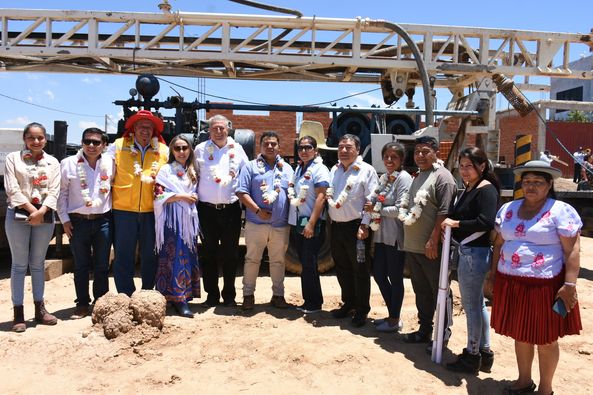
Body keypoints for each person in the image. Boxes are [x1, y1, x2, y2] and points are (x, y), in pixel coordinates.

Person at [488, 160, 582, 395]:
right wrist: (492, 275)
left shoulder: (560, 211)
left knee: (546, 338)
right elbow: (499, 244)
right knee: (521, 334)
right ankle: (523, 381)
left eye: (538, 182)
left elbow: (572, 250)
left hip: (545, 286)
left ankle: (545, 389)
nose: (531, 186)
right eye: (527, 182)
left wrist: (569, 284)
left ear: (549, 184)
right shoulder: (508, 209)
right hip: (512, 282)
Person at [440, 147, 499, 374]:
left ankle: (472, 354)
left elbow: (485, 222)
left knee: (472, 306)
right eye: (461, 166)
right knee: (478, 304)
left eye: (469, 166)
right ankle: (484, 351)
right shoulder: (469, 189)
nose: (464, 171)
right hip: (469, 252)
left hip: (475, 254)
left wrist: (456, 225)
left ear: (481, 166)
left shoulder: (486, 190)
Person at [4, 122, 60, 332]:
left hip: (44, 214)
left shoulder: (53, 162)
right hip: (19, 212)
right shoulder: (13, 159)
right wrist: (31, 210)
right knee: (19, 265)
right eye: (31, 138)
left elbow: (54, 190)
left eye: (40, 138)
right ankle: (18, 311)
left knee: (38, 263)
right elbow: (12, 188)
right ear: (25, 139)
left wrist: (41, 212)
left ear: (45, 139)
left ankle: (40, 308)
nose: (36, 142)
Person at [401, 136, 456, 350]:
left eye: (425, 151)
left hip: (432, 249)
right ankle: (424, 330)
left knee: (440, 292)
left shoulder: (443, 177)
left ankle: (442, 336)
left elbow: (445, 211)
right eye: (417, 152)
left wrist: (434, 240)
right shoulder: (419, 175)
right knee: (421, 291)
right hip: (414, 247)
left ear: (436, 153)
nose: (420, 156)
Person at [107, 110, 169, 296]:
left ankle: (148, 294)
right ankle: (125, 294)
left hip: (152, 211)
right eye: (141, 126)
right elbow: (105, 173)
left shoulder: (163, 151)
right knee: (123, 255)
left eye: (149, 127)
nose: (145, 130)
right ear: (133, 128)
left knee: (151, 255)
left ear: (154, 131)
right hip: (123, 210)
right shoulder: (118, 146)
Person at [57, 127, 113, 319]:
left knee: (102, 265)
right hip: (77, 222)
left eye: (96, 142)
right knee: (81, 264)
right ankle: (82, 303)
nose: (91, 145)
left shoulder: (110, 162)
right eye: (87, 141)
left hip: (103, 220)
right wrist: (64, 220)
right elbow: (61, 193)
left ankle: (101, 302)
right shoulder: (68, 164)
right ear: (81, 143)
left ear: (104, 145)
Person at [194, 114, 249, 307]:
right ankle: (212, 295)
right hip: (206, 210)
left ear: (228, 130)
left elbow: (246, 176)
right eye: (214, 128)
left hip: (230, 210)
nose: (218, 131)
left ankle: (229, 295)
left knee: (231, 255)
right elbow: (194, 176)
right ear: (209, 131)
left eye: (222, 128)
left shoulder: (238, 150)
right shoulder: (200, 150)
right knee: (208, 255)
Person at [237, 131, 294, 310]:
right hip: (256, 223)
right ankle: (248, 295)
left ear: (279, 147)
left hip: (280, 225)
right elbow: (241, 191)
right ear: (260, 146)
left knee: (278, 261)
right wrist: (257, 210)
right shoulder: (250, 167)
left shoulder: (287, 168)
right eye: (266, 143)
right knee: (252, 259)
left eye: (273, 144)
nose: (270, 146)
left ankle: (278, 296)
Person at [328, 134, 379, 328]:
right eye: (341, 147)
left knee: (360, 269)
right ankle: (348, 303)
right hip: (337, 227)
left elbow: (371, 201)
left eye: (348, 147)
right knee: (341, 267)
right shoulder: (334, 169)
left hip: (357, 228)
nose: (343, 150)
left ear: (357, 149)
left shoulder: (366, 170)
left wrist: (365, 225)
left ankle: (362, 309)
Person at [364, 142, 412, 332]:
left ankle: (394, 319)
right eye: (386, 157)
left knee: (395, 277)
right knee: (379, 274)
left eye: (394, 157)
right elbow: (376, 199)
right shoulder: (385, 178)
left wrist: (377, 209)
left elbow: (402, 209)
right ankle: (393, 314)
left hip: (394, 237)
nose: (389, 160)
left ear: (401, 160)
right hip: (381, 236)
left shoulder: (403, 179)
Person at [154, 135, 200, 318]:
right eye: (177, 148)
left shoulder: (192, 170)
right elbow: (157, 194)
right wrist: (183, 197)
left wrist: (191, 198)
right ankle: (177, 299)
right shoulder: (165, 170)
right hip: (172, 221)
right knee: (175, 256)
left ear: (190, 150)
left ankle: (185, 296)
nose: (181, 152)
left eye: (185, 148)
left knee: (188, 256)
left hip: (188, 220)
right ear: (172, 151)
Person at [288, 136, 330, 314]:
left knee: (310, 263)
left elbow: (321, 196)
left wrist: (311, 223)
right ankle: (308, 300)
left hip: (310, 224)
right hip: (298, 223)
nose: (304, 151)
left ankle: (314, 303)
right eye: (301, 148)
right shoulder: (299, 168)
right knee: (305, 263)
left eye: (308, 147)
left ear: (316, 150)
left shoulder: (319, 169)